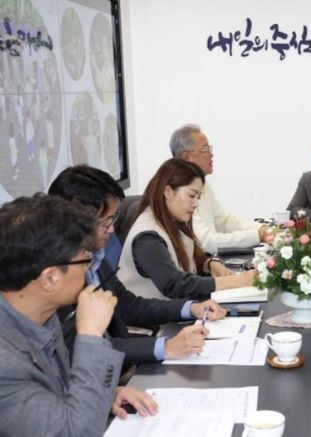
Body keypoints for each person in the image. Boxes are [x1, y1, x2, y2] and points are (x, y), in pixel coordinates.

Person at [0, 195, 157, 436]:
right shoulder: (5, 366)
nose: (88, 269)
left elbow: (57, 395)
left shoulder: (42, 316)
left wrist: (105, 396)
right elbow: (76, 433)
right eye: (85, 259)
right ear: (50, 278)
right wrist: (91, 336)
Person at [48, 165, 228, 368]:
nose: (112, 229)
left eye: (113, 219)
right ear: (75, 223)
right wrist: (166, 347)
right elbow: (80, 350)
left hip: (114, 365)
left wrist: (191, 308)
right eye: (105, 222)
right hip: (100, 371)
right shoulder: (58, 278)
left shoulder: (95, 256)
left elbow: (128, 306)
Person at [119, 158, 255, 300]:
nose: (196, 203)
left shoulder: (173, 220)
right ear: (168, 191)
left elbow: (192, 257)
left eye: (198, 197)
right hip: (155, 314)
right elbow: (176, 285)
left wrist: (210, 264)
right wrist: (237, 281)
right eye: (191, 195)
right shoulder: (147, 238)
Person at [170, 124, 269, 252]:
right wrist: (258, 235)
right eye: (206, 149)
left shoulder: (202, 184)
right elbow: (206, 242)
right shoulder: (179, 191)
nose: (211, 155)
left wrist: (262, 229)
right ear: (187, 157)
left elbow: (224, 221)